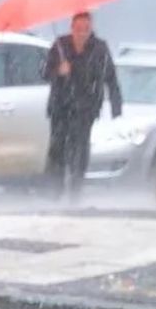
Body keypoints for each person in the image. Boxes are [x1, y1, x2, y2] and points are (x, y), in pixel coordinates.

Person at [42, 12, 123, 201]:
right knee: (57, 150)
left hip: (85, 110)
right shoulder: (60, 46)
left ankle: (75, 193)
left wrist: (116, 108)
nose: (82, 34)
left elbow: (111, 78)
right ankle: (55, 192)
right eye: (78, 29)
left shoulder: (99, 49)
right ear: (72, 28)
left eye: (86, 29)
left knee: (80, 151)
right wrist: (58, 71)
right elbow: (44, 72)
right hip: (60, 108)